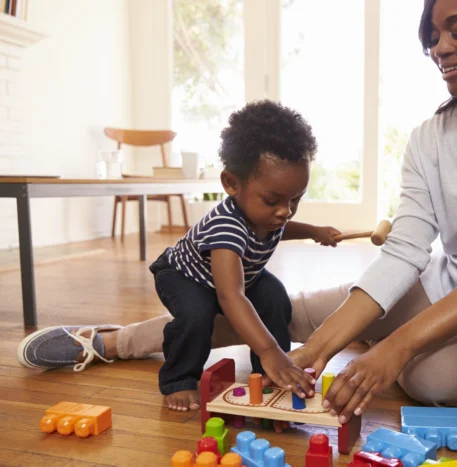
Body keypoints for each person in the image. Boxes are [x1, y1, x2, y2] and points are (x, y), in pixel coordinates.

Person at [18, 0, 457, 427]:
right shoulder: (430, 136)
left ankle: (435, 348)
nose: (440, 48)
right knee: (285, 315)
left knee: (433, 379)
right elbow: (406, 250)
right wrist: (318, 347)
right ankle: (112, 341)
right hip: (444, 287)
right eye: (432, 34)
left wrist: (396, 347)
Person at [18, 100, 343, 413]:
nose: (285, 212)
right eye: (273, 200)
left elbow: (281, 228)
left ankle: (269, 374)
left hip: (237, 279)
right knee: (196, 318)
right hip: (186, 278)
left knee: (275, 299)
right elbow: (230, 297)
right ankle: (178, 378)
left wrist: (314, 231)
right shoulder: (226, 228)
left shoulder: (270, 215)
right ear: (231, 183)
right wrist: (269, 348)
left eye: (295, 200)